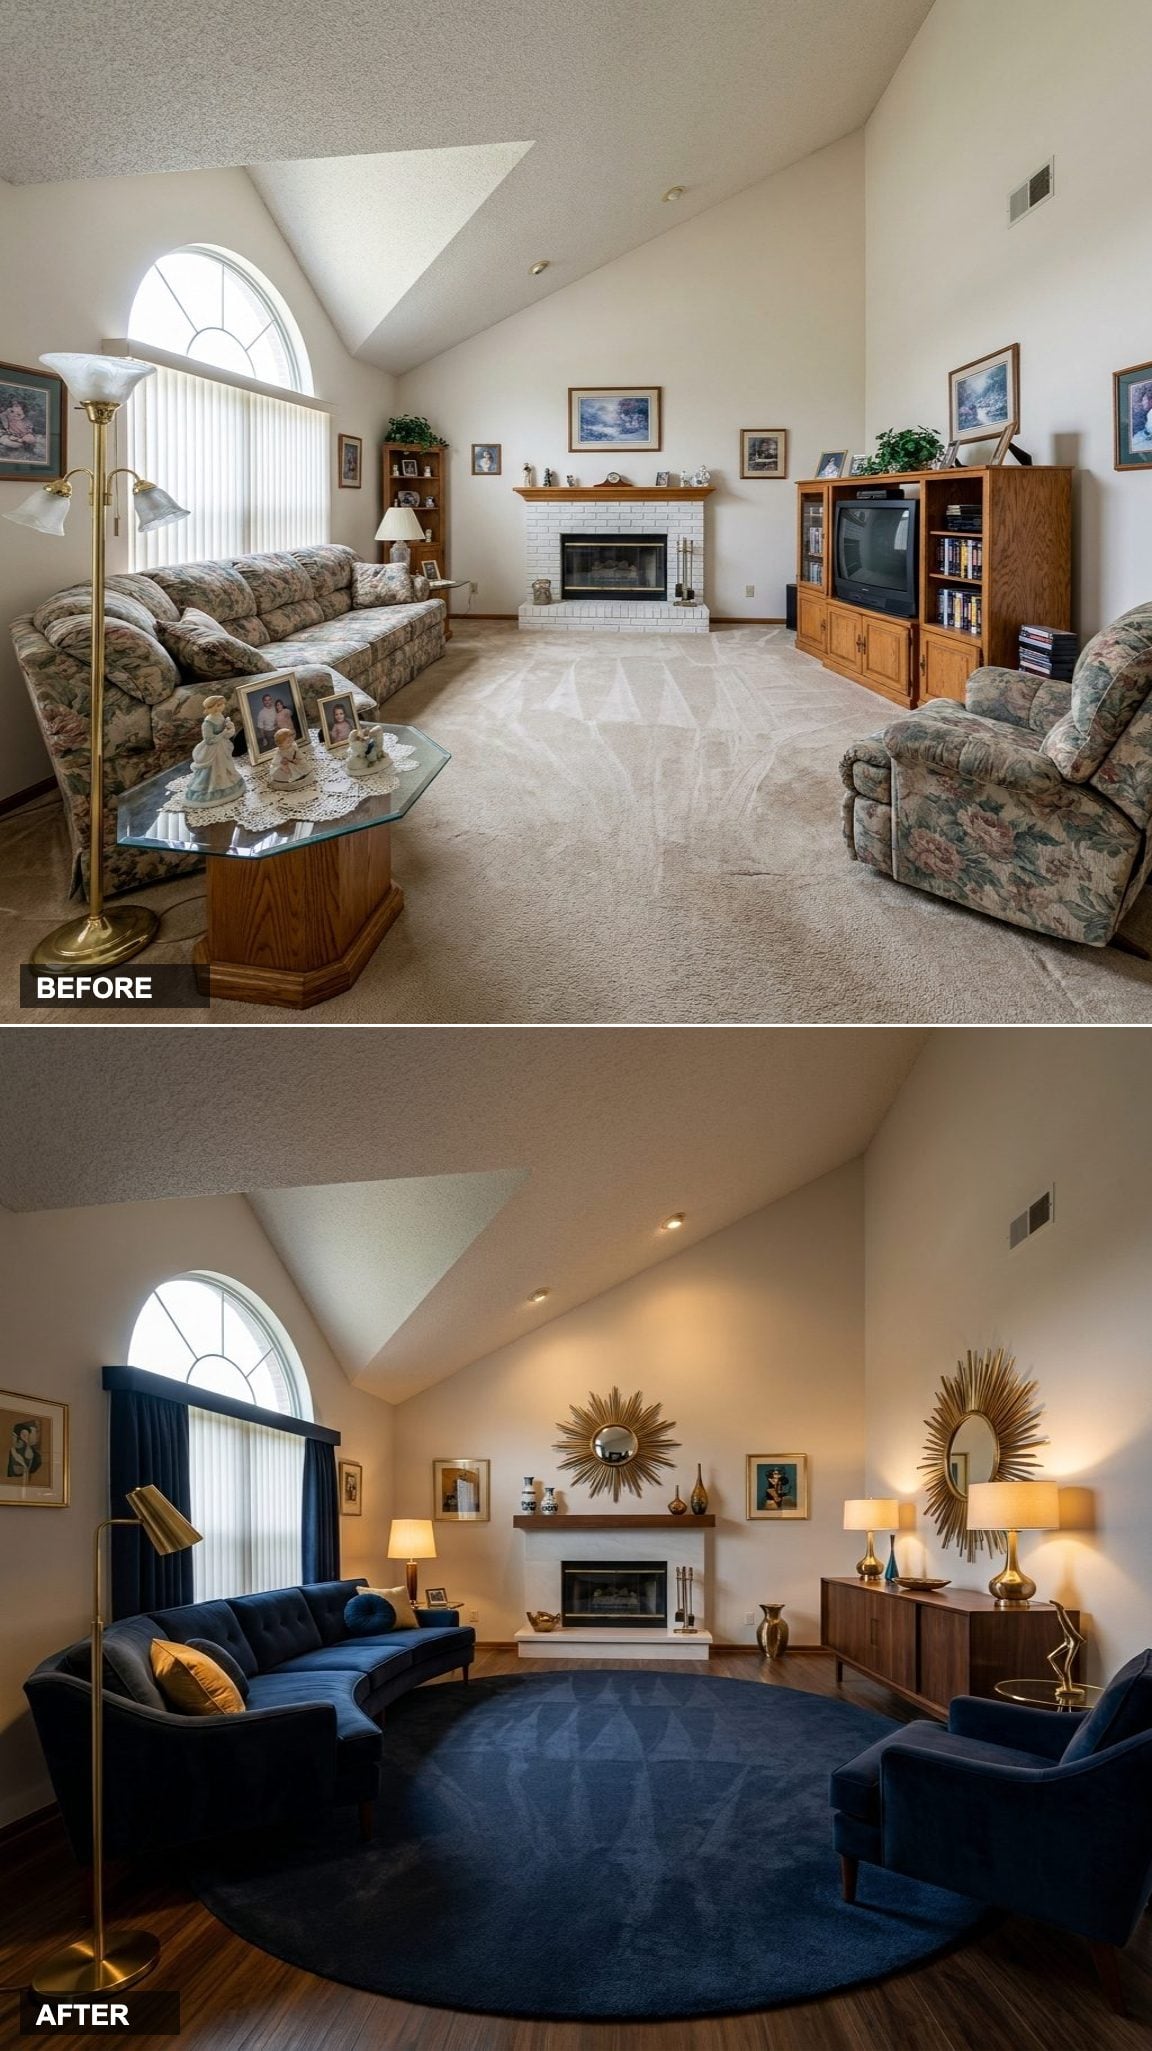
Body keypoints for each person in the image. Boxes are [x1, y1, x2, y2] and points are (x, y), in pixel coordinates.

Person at [185, 694, 243, 805]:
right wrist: (223, 733)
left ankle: (227, 784)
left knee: (225, 766)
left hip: (222, 747)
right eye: (220, 704)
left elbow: (227, 734)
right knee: (214, 769)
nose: (223, 706)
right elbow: (209, 740)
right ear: (213, 706)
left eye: (223, 704)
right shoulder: (208, 722)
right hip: (212, 750)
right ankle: (212, 790)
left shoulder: (220, 716)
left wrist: (230, 728)